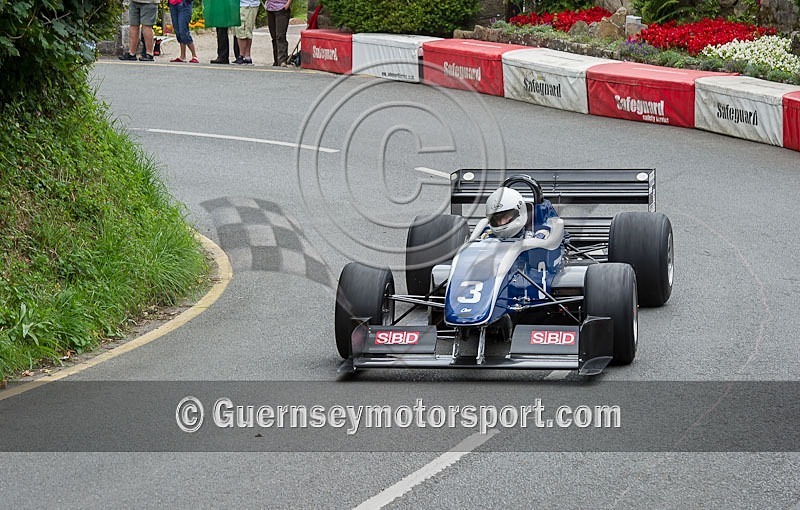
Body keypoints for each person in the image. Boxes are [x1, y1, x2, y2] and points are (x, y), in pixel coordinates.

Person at [483, 187, 550, 240]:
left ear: (520, 211)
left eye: (505, 216)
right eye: (496, 218)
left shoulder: (540, 234)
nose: (500, 222)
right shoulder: (486, 235)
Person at [232, 0, 260, 65]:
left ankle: (243, 56)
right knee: (241, 31)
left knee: (243, 30)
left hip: (247, 5)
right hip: (240, 5)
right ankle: (246, 56)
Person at [265, 0, 291, 66]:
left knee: (280, 36)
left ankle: (282, 60)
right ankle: (276, 60)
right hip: (270, 8)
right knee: (274, 36)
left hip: (281, 8)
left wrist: (288, 4)